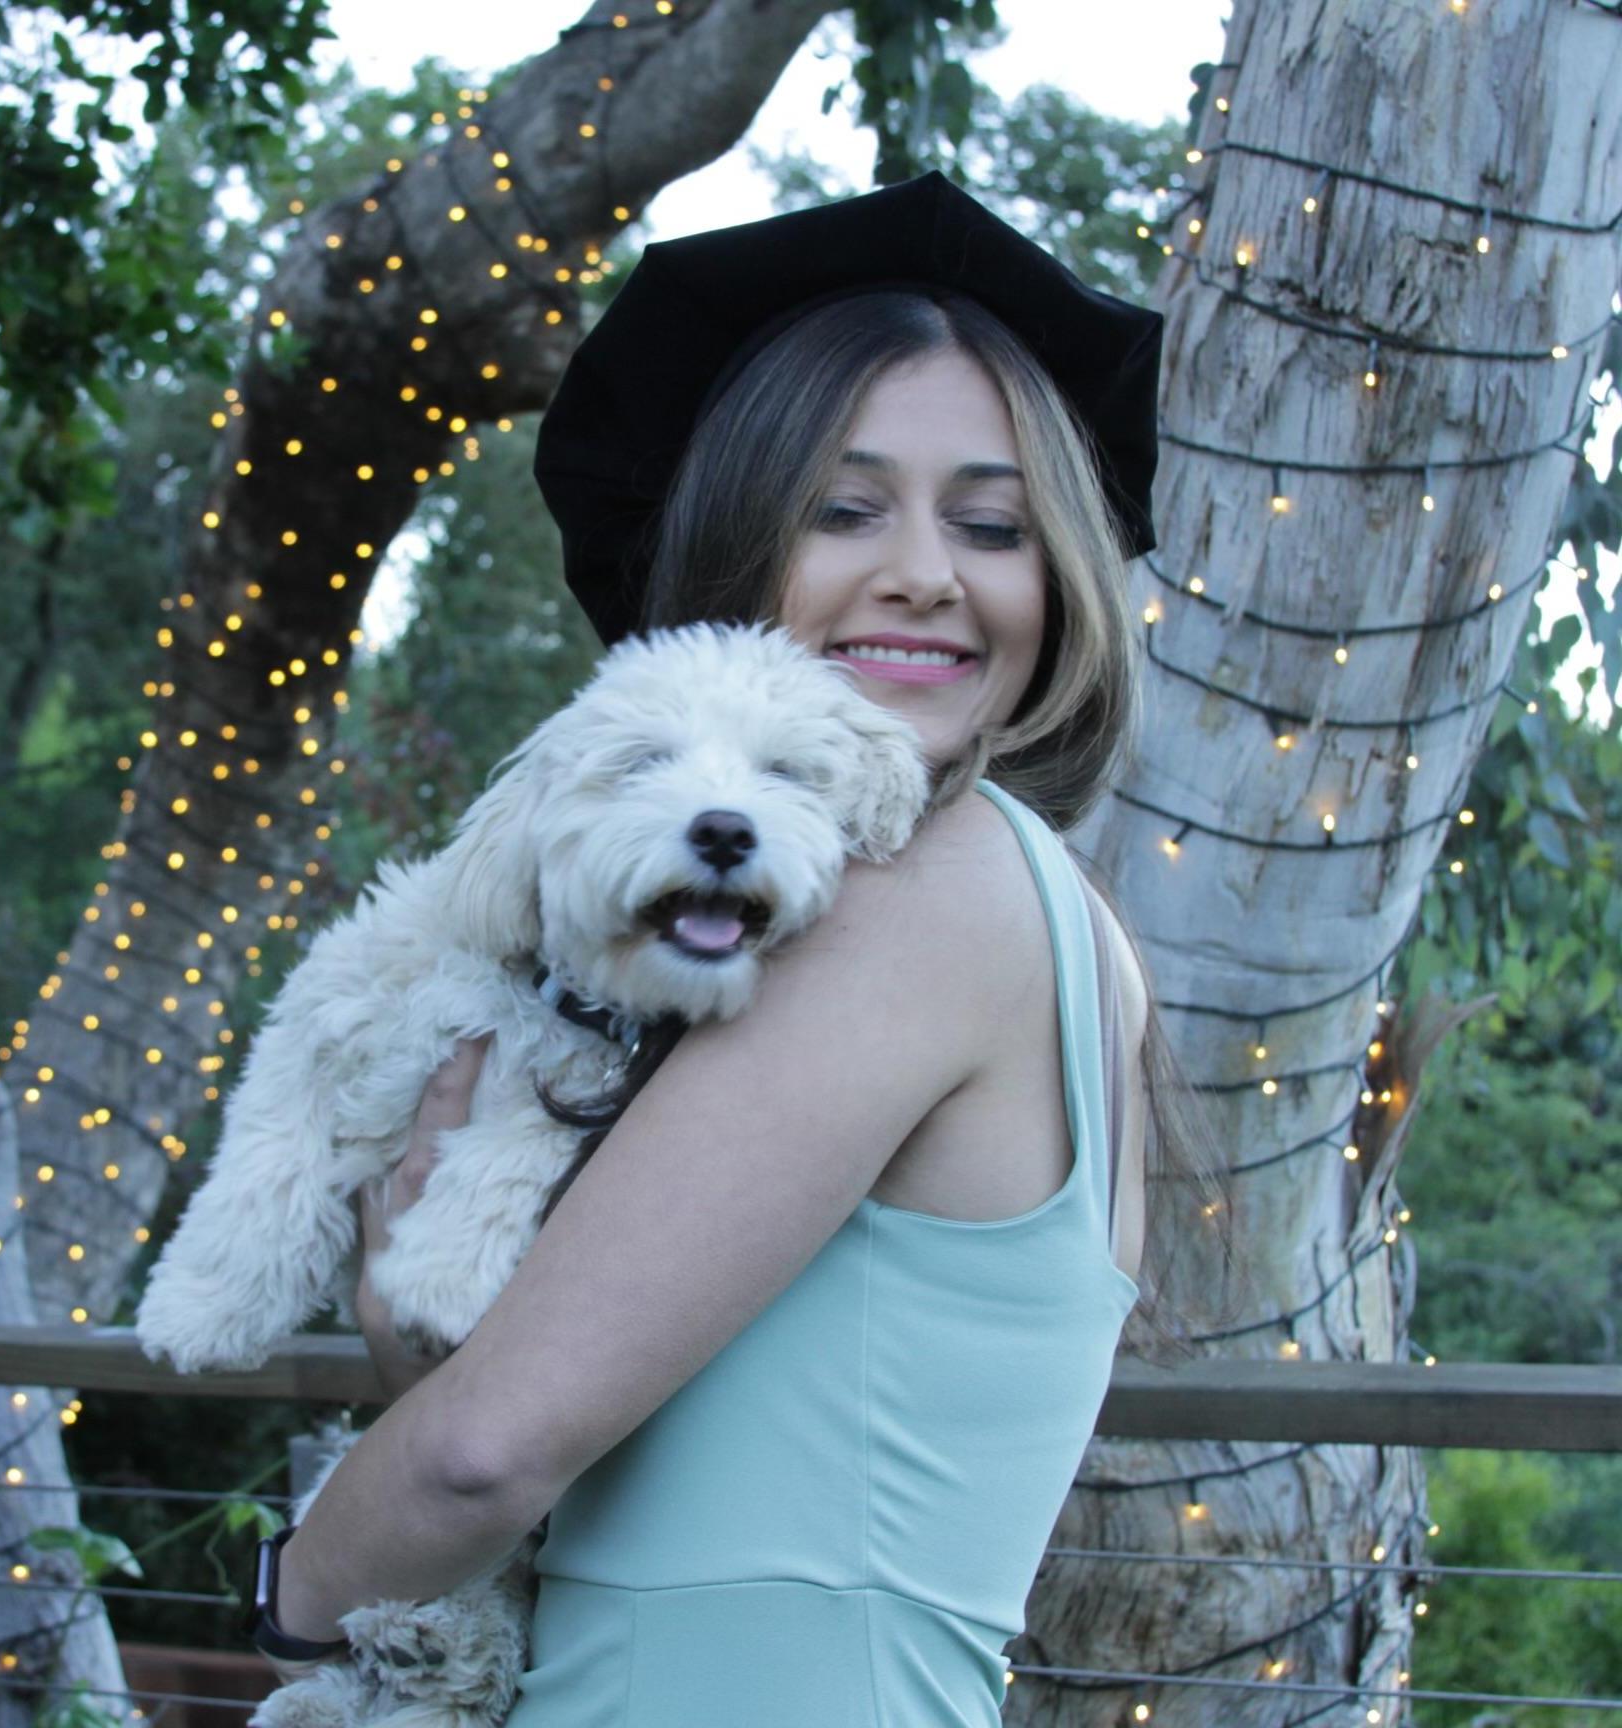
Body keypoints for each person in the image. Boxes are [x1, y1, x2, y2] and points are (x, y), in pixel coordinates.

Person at [257, 171, 1242, 1725]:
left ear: (1056, 574)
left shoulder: (929, 892)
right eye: (845, 510)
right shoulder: (1028, 909)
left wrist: (296, 1599)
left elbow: (482, 1453)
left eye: (991, 524)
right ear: (730, 546)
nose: (926, 571)